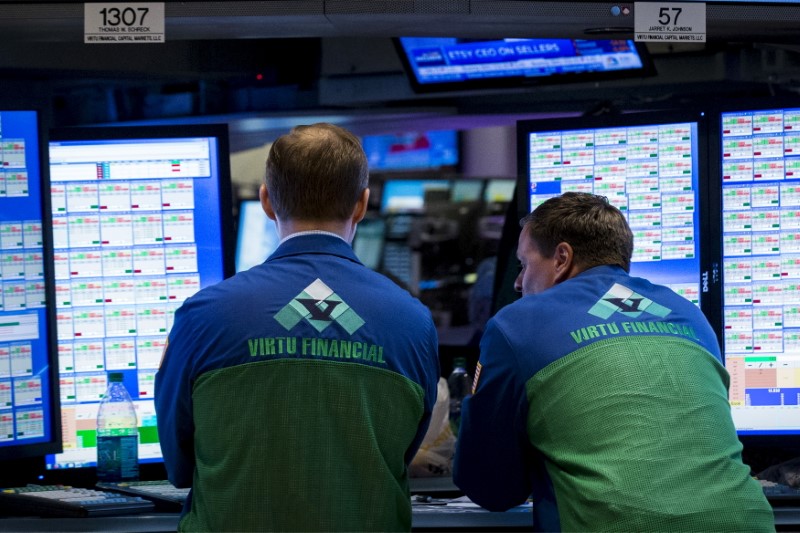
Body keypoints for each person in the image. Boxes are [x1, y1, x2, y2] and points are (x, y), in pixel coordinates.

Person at [155, 123, 440, 532]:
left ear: (267, 201)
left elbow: (179, 467)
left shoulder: (203, 317)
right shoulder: (413, 323)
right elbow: (399, 453)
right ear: (362, 204)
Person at [452, 192, 774, 532]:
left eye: (524, 264)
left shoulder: (516, 324)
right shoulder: (689, 315)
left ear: (561, 258)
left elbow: (490, 486)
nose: (518, 282)